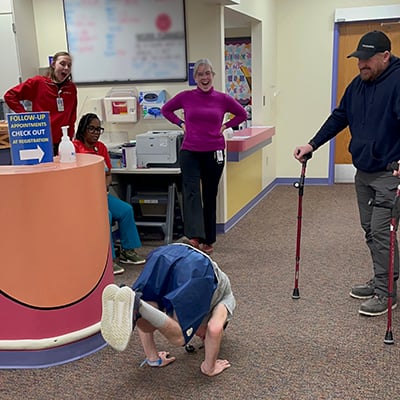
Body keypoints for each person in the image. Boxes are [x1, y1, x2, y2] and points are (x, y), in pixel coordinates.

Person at [293, 31, 400, 317]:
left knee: (381, 232)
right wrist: (312, 144)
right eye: (358, 60)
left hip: (391, 173)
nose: (361, 64)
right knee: (370, 231)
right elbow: (339, 117)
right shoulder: (358, 85)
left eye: (366, 59)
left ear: (385, 56)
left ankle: (386, 292)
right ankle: (384, 278)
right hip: (363, 171)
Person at [100, 243, 235, 377]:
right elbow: (215, 329)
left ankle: (136, 304)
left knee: (149, 309)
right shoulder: (226, 298)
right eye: (204, 338)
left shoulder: (196, 302)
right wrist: (209, 367)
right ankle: (138, 304)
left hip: (165, 254)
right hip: (197, 268)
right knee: (180, 337)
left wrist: (153, 358)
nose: (201, 338)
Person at [161, 58, 247, 255]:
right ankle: (194, 237)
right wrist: (181, 123)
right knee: (191, 193)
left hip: (214, 151)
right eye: (200, 74)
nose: (204, 77)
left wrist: (225, 126)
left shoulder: (222, 99)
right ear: (195, 78)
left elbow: (241, 114)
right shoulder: (186, 96)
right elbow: (166, 109)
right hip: (190, 151)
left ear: (213, 76)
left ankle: (208, 238)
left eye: (207, 73)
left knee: (209, 194)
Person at [74, 113, 145, 275]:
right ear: (83, 129)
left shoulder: (101, 148)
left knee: (126, 210)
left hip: (101, 194)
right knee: (105, 215)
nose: (95, 132)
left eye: (99, 129)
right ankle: (108, 259)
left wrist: (104, 188)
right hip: (83, 197)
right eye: (91, 128)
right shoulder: (75, 147)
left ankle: (128, 251)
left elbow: (108, 174)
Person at [4, 51, 78, 155]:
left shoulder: (71, 88)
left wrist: (70, 140)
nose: (66, 68)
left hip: (62, 142)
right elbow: (10, 96)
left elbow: (72, 116)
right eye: (62, 64)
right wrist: (26, 117)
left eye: (69, 65)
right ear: (53, 64)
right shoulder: (38, 83)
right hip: (41, 140)